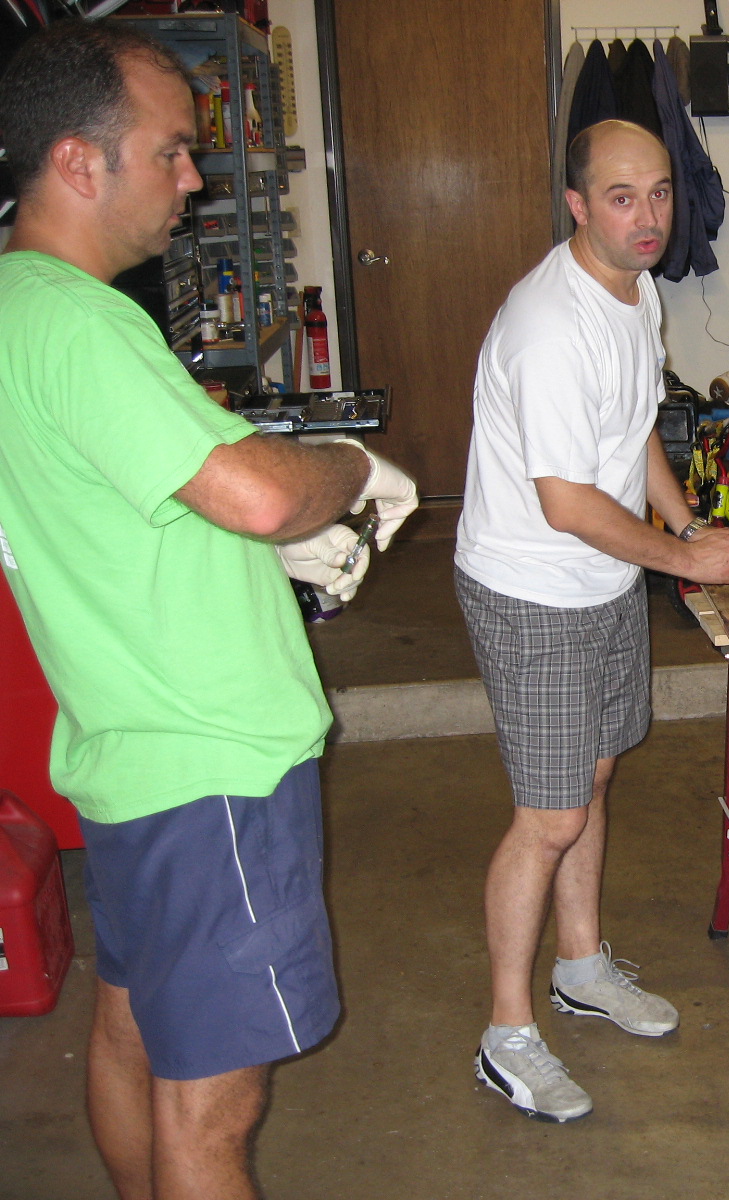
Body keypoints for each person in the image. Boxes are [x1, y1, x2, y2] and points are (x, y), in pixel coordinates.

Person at [0, 22, 418, 1199]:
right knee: (212, 1109)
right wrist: (347, 467)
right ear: (79, 161)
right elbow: (257, 494)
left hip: (129, 752)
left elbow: (117, 507)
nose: (194, 177)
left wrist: (245, 552)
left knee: (134, 1034)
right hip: (210, 766)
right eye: (171, 151)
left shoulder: (17, 308)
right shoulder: (82, 324)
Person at [455, 118, 729, 1122]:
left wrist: (685, 523)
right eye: (620, 197)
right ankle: (507, 1033)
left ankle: (580, 967)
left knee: (594, 775)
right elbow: (565, 502)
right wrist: (684, 562)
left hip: (601, 577)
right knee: (549, 815)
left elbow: (633, 423)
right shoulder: (550, 327)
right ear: (576, 205)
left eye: (659, 193)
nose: (647, 217)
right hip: (533, 588)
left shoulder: (636, 290)